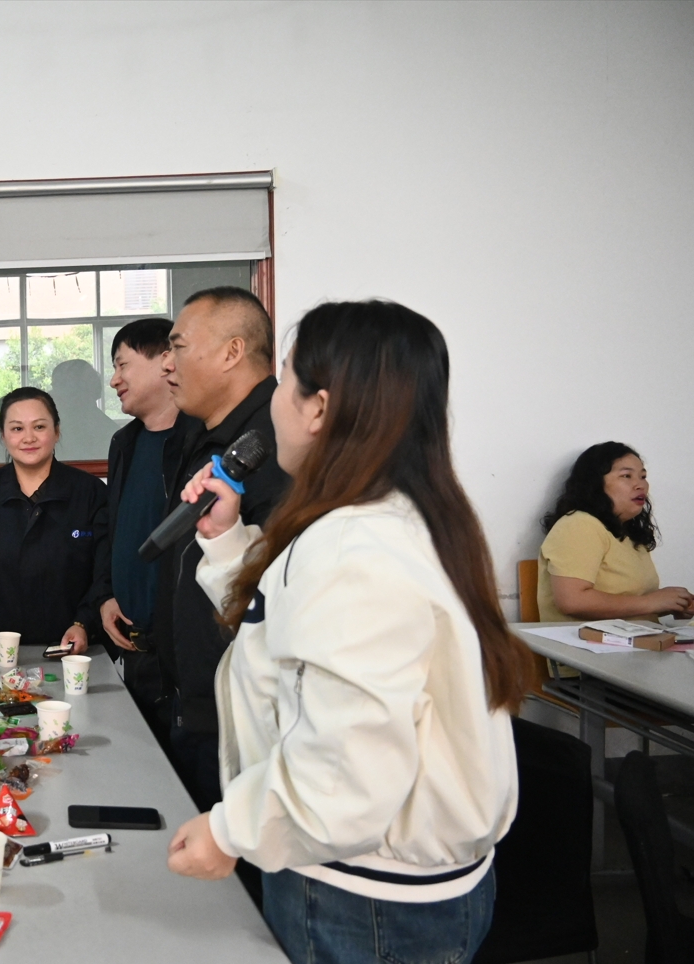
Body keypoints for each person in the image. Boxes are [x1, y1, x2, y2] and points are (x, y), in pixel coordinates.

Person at [167, 300, 533, 964]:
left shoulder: (354, 547)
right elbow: (285, 635)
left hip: (360, 902)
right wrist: (225, 542)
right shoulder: (394, 518)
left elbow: (345, 771)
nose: (273, 398)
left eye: (284, 378)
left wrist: (229, 831)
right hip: (391, 888)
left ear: (317, 408)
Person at [157, 287, 291, 814]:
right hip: (194, 701)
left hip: (242, 719)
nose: (167, 364)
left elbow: (274, 599)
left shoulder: (275, 449)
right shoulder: (200, 434)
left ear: (233, 351)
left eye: (178, 346)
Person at [0, 387, 109, 654]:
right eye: (17, 428)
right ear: (3, 435)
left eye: (39, 427)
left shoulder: (91, 493)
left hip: (73, 648)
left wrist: (84, 623)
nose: (29, 438)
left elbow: (106, 571)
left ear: (57, 431)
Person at [94, 318, 195, 747]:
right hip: (136, 647)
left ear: (166, 360)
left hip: (185, 654)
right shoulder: (125, 443)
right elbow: (116, 531)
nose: (114, 380)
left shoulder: (199, 440)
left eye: (122, 365)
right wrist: (106, 595)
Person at [537, 442, 691, 620]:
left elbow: (632, 604)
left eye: (643, 476)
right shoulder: (579, 524)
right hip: (583, 637)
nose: (640, 485)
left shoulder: (627, 531)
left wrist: (671, 604)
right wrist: (652, 602)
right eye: (626, 476)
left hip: (633, 636)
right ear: (595, 484)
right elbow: (572, 601)